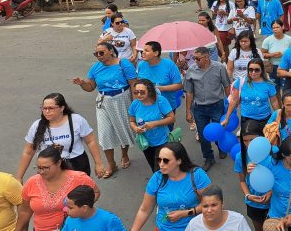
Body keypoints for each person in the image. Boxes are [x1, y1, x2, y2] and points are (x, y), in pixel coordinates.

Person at [72, 42, 136, 178]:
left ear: (111, 51)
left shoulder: (123, 64)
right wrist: (82, 83)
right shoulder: (95, 68)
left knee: (123, 129)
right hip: (103, 101)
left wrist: (136, 105)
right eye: (96, 54)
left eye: (101, 53)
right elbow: (90, 87)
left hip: (122, 99)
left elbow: (133, 85)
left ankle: (124, 155)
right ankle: (111, 163)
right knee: (105, 133)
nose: (99, 56)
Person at [19, 93, 105, 180]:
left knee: (78, 188)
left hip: (76, 164)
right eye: (44, 108)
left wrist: (98, 164)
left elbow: (90, 141)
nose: (47, 111)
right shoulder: (36, 126)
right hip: (48, 167)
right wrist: (19, 177)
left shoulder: (76, 120)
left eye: (51, 108)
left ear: (62, 108)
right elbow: (28, 152)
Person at [130, 142, 212, 231]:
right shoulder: (157, 178)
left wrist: (185, 213)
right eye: (159, 160)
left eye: (166, 160)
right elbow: (144, 210)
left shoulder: (197, 175)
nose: (161, 164)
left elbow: (211, 203)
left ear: (179, 161)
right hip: (163, 228)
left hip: (193, 228)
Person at [16, 146, 100, 231]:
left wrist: (80, 209)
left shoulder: (79, 178)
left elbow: (95, 192)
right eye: (38, 167)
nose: (41, 171)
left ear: (58, 163)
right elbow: (25, 211)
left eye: (46, 167)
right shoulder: (32, 182)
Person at [183, 46, 231, 170]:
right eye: (194, 58)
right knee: (203, 135)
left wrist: (231, 104)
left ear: (207, 57)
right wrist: (188, 111)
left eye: (198, 58)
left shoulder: (219, 68)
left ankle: (221, 148)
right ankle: (208, 158)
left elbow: (227, 85)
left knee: (219, 130)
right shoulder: (191, 70)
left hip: (217, 105)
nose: (195, 61)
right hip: (199, 108)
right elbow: (189, 92)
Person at [223, 58, 279, 145]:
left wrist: (279, 117)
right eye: (251, 69)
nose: (253, 72)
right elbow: (233, 100)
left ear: (262, 70)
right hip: (247, 119)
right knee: (249, 145)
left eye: (257, 70)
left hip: (265, 120)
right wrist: (227, 118)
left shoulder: (269, 84)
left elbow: (274, 101)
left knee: (265, 145)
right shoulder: (241, 82)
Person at [128, 79, 175, 171]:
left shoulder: (160, 101)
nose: (138, 95)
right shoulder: (135, 104)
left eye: (142, 92)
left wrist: (155, 124)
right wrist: (135, 128)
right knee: (154, 167)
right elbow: (132, 121)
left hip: (162, 140)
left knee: (164, 167)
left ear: (149, 91)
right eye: (136, 92)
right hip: (145, 143)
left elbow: (171, 118)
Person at [137, 41, 183, 115]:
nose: (143, 53)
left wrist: (159, 88)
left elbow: (179, 85)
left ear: (156, 53)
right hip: (147, 105)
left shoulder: (169, 65)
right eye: (142, 51)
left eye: (147, 51)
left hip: (167, 106)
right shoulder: (141, 65)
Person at [261, 20, 291, 92]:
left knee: (286, 88)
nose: (275, 29)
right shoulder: (268, 40)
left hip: (285, 67)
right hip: (272, 67)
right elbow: (262, 54)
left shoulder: (289, 39)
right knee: (274, 89)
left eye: (277, 27)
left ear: (282, 27)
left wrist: (283, 55)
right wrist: (272, 55)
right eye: (273, 28)